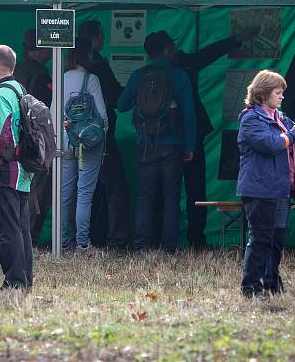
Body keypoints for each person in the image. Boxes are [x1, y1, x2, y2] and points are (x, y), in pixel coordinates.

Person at [171, 26, 259, 247]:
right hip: (192, 136)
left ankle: (163, 240)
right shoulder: (184, 64)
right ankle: (195, 239)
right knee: (195, 190)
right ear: (169, 48)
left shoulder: (150, 72)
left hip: (162, 141)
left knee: (164, 191)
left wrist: (236, 39)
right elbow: (209, 53)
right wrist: (237, 39)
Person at [237, 69, 295, 297]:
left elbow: (293, 129)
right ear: (262, 94)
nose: (282, 96)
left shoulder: (279, 117)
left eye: (282, 92)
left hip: (281, 189)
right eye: (278, 92)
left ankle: (272, 284)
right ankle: (251, 287)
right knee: (261, 239)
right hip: (260, 189)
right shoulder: (250, 119)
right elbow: (272, 144)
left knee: (276, 241)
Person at [117, 31, 196, 254]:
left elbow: (122, 104)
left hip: (144, 143)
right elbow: (189, 113)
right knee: (171, 197)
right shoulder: (180, 76)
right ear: (168, 49)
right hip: (172, 144)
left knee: (144, 196)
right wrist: (189, 145)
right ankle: (169, 247)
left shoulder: (139, 75)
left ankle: (142, 246)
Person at [0, 45, 33, 290]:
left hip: (4, 172)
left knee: (5, 230)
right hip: (21, 171)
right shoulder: (19, 90)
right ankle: (24, 279)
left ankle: (14, 282)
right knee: (21, 228)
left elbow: (2, 136)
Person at [78, 20, 130, 249]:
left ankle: (84, 238)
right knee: (116, 188)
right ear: (94, 39)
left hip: (74, 137)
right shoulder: (99, 68)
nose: (105, 40)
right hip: (100, 136)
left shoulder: (67, 70)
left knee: (84, 189)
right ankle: (116, 239)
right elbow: (115, 98)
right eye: (102, 36)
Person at [56, 37, 107, 254]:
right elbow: (102, 117)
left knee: (64, 195)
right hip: (88, 143)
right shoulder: (91, 79)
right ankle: (83, 244)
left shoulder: (60, 79)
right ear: (88, 56)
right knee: (84, 194)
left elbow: (52, 114)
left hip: (64, 142)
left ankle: (63, 242)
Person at [12, 29, 53, 244]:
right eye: (46, 47)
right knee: (39, 191)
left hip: (14, 139)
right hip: (35, 142)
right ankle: (29, 237)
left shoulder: (15, 72)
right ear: (36, 50)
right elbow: (45, 113)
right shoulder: (41, 76)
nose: (50, 52)